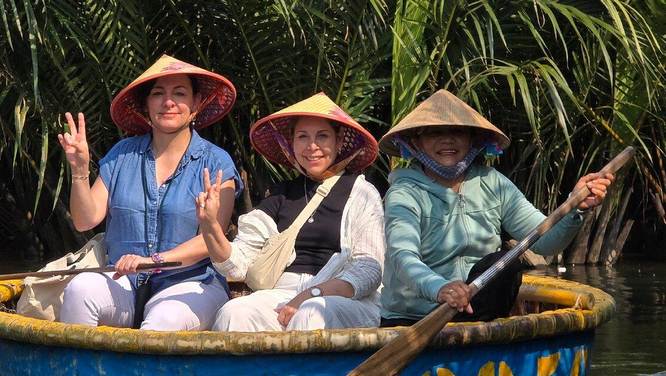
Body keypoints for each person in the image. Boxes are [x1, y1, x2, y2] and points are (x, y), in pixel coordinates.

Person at [378, 89, 614, 326]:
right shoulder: (404, 193)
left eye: (458, 131)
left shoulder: (494, 184)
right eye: (434, 133)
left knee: (504, 263)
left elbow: (545, 240)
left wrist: (575, 206)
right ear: (416, 143)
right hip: (414, 318)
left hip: (476, 312)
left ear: (473, 139)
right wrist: (441, 289)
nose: (447, 139)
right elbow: (403, 257)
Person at [57, 54, 243, 330]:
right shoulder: (122, 155)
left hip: (191, 284)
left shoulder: (216, 163)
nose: (168, 102)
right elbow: (86, 220)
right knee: (80, 289)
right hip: (125, 283)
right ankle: (79, 373)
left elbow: (210, 241)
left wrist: (153, 261)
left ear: (195, 104)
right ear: (146, 106)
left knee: (163, 321)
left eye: (179, 93)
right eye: (158, 94)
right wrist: (80, 170)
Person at [196, 92, 385, 331]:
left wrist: (310, 295)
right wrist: (210, 225)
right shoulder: (282, 195)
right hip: (282, 294)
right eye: (302, 137)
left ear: (339, 142)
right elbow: (238, 265)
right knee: (235, 312)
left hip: (342, 299)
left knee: (309, 314)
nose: (312, 146)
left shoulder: (363, 194)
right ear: (291, 144)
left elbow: (368, 271)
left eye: (322, 136)